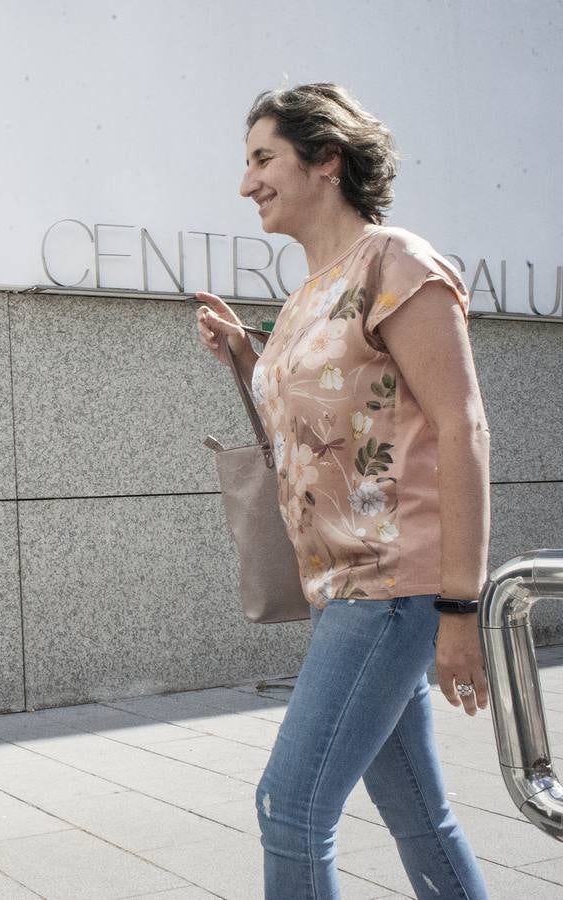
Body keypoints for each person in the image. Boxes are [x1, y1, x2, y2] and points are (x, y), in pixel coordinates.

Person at [195, 84, 491, 899]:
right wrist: (245, 357)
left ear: (326, 159)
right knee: (420, 816)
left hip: (395, 586)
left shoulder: (396, 262)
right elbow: (331, 420)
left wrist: (460, 609)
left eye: (263, 159)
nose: (247, 182)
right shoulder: (305, 296)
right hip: (344, 587)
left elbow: (462, 429)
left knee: (288, 807)